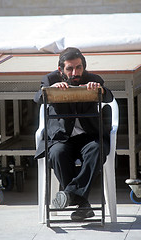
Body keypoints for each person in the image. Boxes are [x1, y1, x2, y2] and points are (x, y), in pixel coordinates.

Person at [34, 47, 113, 221]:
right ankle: (82, 204)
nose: (74, 72)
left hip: (88, 136)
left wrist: (99, 90)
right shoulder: (50, 79)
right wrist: (51, 89)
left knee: (96, 150)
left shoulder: (93, 79)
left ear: (83, 67)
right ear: (61, 69)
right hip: (62, 137)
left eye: (78, 68)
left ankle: (69, 194)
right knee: (56, 153)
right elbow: (37, 98)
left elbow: (109, 98)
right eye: (70, 69)